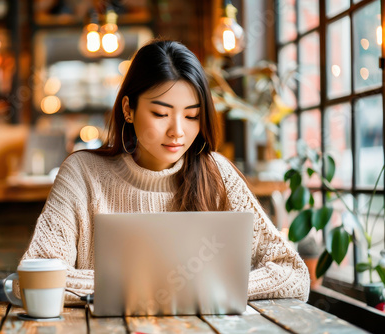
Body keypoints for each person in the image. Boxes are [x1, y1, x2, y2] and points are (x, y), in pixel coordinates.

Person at [20, 39, 310, 305]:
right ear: (128, 109)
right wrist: (176, 284)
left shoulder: (217, 173)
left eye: (192, 116)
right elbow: (34, 279)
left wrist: (197, 286)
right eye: (160, 114)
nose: (178, 132)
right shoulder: (82, 174)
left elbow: (292, 273)